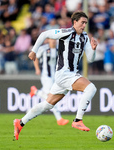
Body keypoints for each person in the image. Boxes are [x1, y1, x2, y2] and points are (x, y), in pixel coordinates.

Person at [13, 11, 97, 140]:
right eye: (82, 22)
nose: (84, 25)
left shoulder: (84, 37)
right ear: (74, 22)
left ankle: (20, 122)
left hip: (69, 75)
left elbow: (90, 59)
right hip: (64, 74)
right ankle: (77, 120)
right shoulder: (66, 33)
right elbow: (44, 34)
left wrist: (93, 49)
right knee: (91, 88)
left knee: (48, 105)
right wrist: (34, 51)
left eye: (86, 23)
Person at [29, 39, 69, 126]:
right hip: (46, 76)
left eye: (55, 39)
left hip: (56, 76)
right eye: (51, 39)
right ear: (48, 40)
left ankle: (35, 91)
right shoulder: (43, 49)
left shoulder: (60, 49)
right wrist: (37, 69)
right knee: (50, 96)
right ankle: (59, 118)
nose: (53, 41)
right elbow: (34, 57)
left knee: (49, 96)